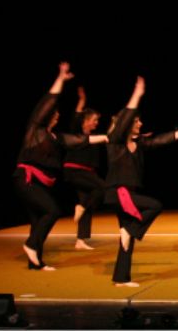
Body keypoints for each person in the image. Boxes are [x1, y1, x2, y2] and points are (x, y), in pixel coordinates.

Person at [13, 63, 109, 270]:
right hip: (27, 178)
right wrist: (61, 79)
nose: (57, 116)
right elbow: (50, 99)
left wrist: (105, 137)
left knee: (38, 219)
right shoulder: (35, 130)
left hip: (41, 182)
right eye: (54, 114)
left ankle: (35, 262)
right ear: (47, 115)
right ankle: (31, 245)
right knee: (52, 211)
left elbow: (80, 140)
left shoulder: (56, 137)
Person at [105, 76, 178, 287]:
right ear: (127, 124)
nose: (140, 123)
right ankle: (131, 231)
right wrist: (137, 94)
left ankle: (121, 278)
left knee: (126, 237)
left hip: (129, 194)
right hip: (117, 193)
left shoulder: (139, 144)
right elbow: (125, 116)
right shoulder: (115, 142)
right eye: (137, 121)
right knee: (155, 206)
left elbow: (159, 141)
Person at [63, 85, 106, 250]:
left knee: (86, 201)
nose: (96, 123)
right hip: (75, 170)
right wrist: (82, 100)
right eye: (94, 120)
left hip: (86, 173)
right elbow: (76, 116)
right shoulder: (77, 132)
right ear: (85, 121)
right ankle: (81, 207)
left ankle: (80, 240)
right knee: (102, 188)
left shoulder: (94, 137)